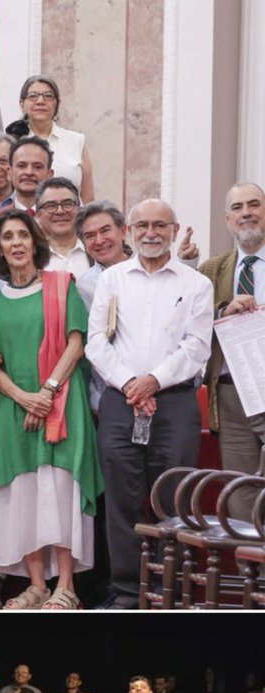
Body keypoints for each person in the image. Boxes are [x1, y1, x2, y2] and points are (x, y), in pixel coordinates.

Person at [85, 198, 214, 609]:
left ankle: (168, 592)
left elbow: (197, 347)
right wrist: (130, 385)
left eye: (160, 225)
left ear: (174, 231)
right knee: (122, 502)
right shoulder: (113, 280)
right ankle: (127, 591)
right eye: (142, 226)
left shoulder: (196, 284)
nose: (151, 233)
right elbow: (95, 343)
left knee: (173, 499)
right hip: (121, 403)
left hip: (174, 404)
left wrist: (154, 381)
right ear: (129, 232)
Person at [0, 209, 102, 610]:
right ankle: (35, 584)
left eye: (22, 235)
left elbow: (76, 343)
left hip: (63, 405)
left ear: (36, 242)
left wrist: (47, 392)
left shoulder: (60, 285)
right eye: (7, 237)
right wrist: (22, 397)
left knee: (59, 489)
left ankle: (65, 587)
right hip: (15, 409)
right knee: (24, 492)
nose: (15, 243)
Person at [199, 182, 265, 519]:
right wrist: (223, 313)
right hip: (231, 395)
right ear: (227, 219)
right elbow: (191, 324)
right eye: (237, 208)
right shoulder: (211, 270)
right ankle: (250, 570)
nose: (246, 213)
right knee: (241, 490)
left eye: (254, 205)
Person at [7, 75, 93, 202]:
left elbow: (87, 197)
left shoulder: (76, 141)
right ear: (22, 103)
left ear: (57, 103)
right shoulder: (12, 141)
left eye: (48, 96)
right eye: (33, 96)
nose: (40, 101)